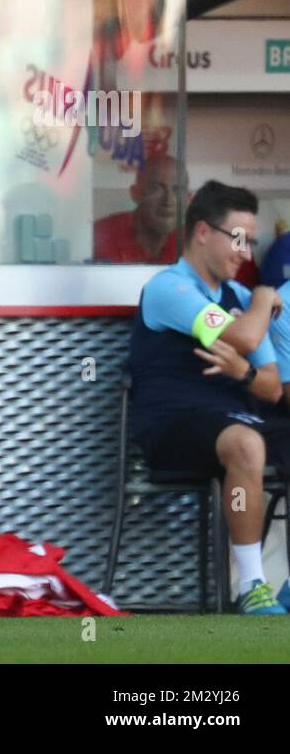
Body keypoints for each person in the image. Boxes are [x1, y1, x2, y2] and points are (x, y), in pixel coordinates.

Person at [129, 180, 289, 614]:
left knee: (248, 439)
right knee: (245, 443)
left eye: (251, 242)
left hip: (234, 422)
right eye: (238, 240)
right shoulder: (171, 287)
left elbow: (271, 386)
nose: (247, 253)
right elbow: (244, 332)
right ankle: (252, 587)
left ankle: (285, 585)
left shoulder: (237, 296)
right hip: (172, 427)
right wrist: (262, 297)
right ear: (203, 232)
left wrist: (245, 372)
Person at [93, 154, 184, 263]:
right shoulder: (102, 236)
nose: (169, 200)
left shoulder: (193, 242)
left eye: (177, 190)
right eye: (157, 188)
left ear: (188, 198)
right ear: (135, 193)